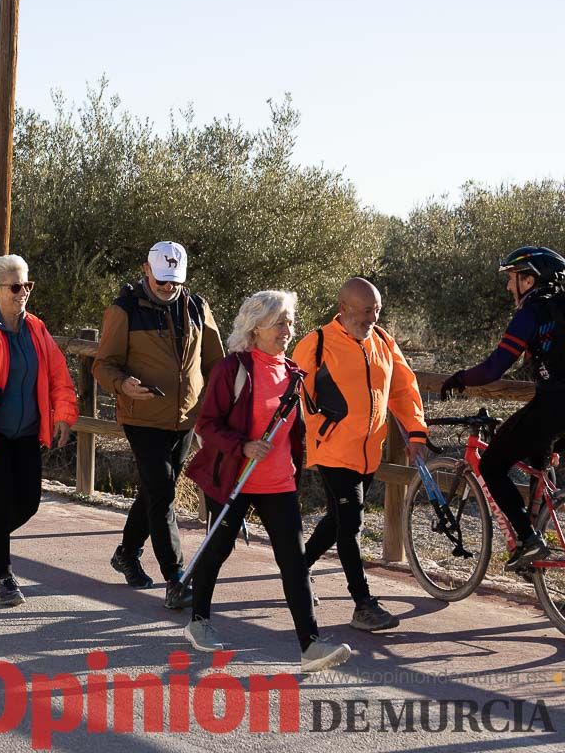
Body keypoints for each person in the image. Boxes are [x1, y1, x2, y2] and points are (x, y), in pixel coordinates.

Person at [183, 290, 352, 673]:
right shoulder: (233, 370)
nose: (287, 330)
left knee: (293, 562)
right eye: (279, 323)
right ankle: (198, 621)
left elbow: (297, 429)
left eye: (290, 322)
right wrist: (243, 446)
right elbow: (206, 425)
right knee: (217, 549)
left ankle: (310, 644)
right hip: (235, 479)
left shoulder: (293, 373)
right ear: (255, 328)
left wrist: (302, 460)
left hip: (279, 483)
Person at [292, 277, 429, 632]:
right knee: (351, 524)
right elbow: (290, 393)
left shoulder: (383, 341)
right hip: (333, 451)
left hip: (370, 452)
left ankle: (297, 568)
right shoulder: (317, 344)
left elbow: (403, 388)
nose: (372, 317)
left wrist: (416, 431)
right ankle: (363, 604)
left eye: (377, 310)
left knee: (338, 520)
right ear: (344, 309)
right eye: (366, 310)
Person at [92, 241, 223, 608]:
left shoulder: (198, 308)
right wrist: (124, 384)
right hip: (142, 416)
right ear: (146, 271)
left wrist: (215, 413)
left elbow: (216, 365)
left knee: (154, 491)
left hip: (185, 420)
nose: (168, 288)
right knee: (163, 494)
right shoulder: (125, 309)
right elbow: (103, 365)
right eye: (162, 280)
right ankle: (176, 577)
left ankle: (127, 553)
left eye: (175, 282)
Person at [0, 254, 79, 606]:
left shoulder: (36, 328)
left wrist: (64, 414)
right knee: (3, 500)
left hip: (27, 432)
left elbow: (57, 375)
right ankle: (4, 576)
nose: (23, 292)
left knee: (30, 503)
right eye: (16, 286)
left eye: (27, 285)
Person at [441, 246, 565, 568]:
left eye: (512, 278)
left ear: (528, 279)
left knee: (492, 464)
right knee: (537, 457)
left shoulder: (532, 313)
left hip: (554, 407)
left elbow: (495, 368)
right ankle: (535, 567)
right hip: (554, 412)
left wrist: (460, 378)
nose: (509, 286)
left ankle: (528, 539)